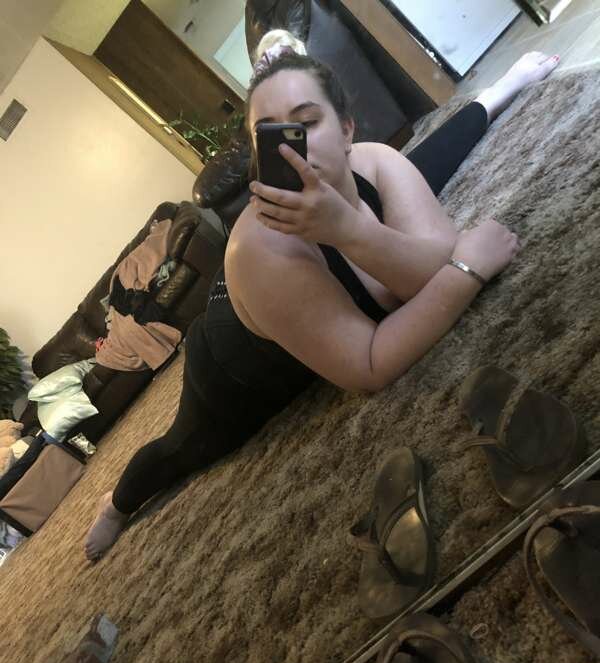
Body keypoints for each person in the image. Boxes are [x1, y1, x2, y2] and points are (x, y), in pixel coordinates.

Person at [84, 31, 560, 561]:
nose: (292, 148)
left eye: (306, 123)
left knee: (429, 165)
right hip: (230, 366)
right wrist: (467, 270)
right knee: (182, 447)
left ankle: (495, 95)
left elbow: (432, 268)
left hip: (326, 251)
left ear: (347, 128)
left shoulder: (376, 162)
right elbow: (369, 366)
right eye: (272, 135)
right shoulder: (260, 249)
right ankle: (116, 505)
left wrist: (352, 230)